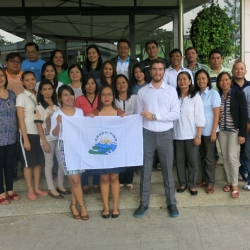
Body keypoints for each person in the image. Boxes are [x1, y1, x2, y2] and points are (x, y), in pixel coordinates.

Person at [135, 58, 180, 218]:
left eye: (160, 69)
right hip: (147, 135)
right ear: (150, 71)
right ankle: (144, 203)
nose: (157, 72)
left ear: (164, 71)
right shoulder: (142, 92)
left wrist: (155, 116)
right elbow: (138, 116)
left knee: (167, 171)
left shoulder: (171, 90)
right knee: (145, 171)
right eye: (154, 69)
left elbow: (175, 114)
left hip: (165, 135)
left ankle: (171, 203)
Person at [50, 85, 89, 220]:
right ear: (59, 98)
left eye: (71, 94)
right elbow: (53, 135)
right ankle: (82, 206)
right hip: (65, 148)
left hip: (78, 147)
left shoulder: (79, 111)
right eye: (65, 95)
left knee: (76, 180)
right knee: (74, 179)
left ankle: (73, 204)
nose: (69, 97)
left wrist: (90, 119)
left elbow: (83, 129)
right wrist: (59, 124)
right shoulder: (56, 114)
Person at [89, 85, 125, 219]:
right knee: (104, 179)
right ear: (100, 97)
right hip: (101, 152)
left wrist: (127, 120)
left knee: (114, 178)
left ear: (113, 96)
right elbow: (88, 131)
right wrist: (89, 119)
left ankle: (115, 207)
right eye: (103, 94)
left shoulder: (119, 112)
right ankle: (105, 207)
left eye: (109, 94)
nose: (107, 97)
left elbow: (126, 129)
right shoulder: (95, 112)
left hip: (115, 151)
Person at [35, 80, 70, 199]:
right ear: (41, 91)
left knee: (61, 163)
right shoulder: (39, 106)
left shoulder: (58, 105)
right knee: (49, 163)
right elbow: (39, 126)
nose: (47, 91)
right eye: (44, 89)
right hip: (47, 139)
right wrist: (44, 142)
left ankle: (60, 185)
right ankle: (51, 188)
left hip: (59, 137)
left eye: (49, 89)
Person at [16, 71, 47, 200]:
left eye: (33, 79)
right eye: (27, 80)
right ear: (22, 82)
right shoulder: (21, 97)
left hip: (39, 133)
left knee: (38, 163)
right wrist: (26, 139)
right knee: (28, 163)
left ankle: (37, 188)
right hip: (27, 133)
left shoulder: (39, 95)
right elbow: (20, 120)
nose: (30, 82)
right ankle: (30, 189)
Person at [217, 72, 247, 198]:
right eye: (222, 80)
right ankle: (229, 181)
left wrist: (242, 134)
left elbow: (243, 114)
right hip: (222, 131)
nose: (224, 82)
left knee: (232, 157)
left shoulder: (238, 94)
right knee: (224, 157)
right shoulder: (217, 96)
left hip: (234, 131)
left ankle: (234, 185)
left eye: (226, 80)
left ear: (231, 80)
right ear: (218, 83)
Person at [174, 71, 205, 196]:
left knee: (192, 162)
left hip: (191, 135)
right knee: (180, 162)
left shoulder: (195, 97)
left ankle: (192, 185)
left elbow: (200, 117)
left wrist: (198, 135)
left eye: (184, 79)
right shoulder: (174, 97)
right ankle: (182, 183)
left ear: (190, 81)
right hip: (177, 135)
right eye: (179, 79)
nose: (182, 81)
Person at [194, 69, 221, 194]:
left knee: (209, 157)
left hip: (210, 130)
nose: (201, 81)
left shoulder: (213, 94)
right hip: (198, 131)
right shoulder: (194, 94)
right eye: (199, 78)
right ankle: (204, 180)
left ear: (208, 80)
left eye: (203, 78)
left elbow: (216, 114)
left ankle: (210, 183)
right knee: (202, 157)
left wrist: (214, 131)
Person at [74, 74, 100, 195]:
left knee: (97, 157)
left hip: (98, 133)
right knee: (83, 158)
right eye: (87, 83)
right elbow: (76, 116)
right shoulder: (79, 99)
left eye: (92, 83)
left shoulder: (101, 98)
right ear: (84, 86)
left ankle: (96, 183)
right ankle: (84, 184)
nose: (90, 86)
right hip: (83, 134)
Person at [114, 74, 137, 191]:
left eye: (123, 82)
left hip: (132, 132)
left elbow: (138, 113)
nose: (121, 85)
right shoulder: (113, 99)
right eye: (118, 83)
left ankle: (129, 180)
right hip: (117, 132)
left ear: (128, 84)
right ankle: (120, 180)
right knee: (119, 156)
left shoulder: (135, 98)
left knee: (130, 155)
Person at [0, 68, 20, 205]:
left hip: (12, 136)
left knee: (9, 164)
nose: (0, 78)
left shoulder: (12, 94)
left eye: (1, 75)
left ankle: (10, 190)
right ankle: (1, 192)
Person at [232, 61, 250, 182]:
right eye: (237, 69)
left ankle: (244, 169)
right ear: (233, 71)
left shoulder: (249, 85)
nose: (239, 71)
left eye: (242, 69)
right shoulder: (228, 85)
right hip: (233, 124)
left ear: (246, 71)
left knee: (246, 149)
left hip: (248, 122)